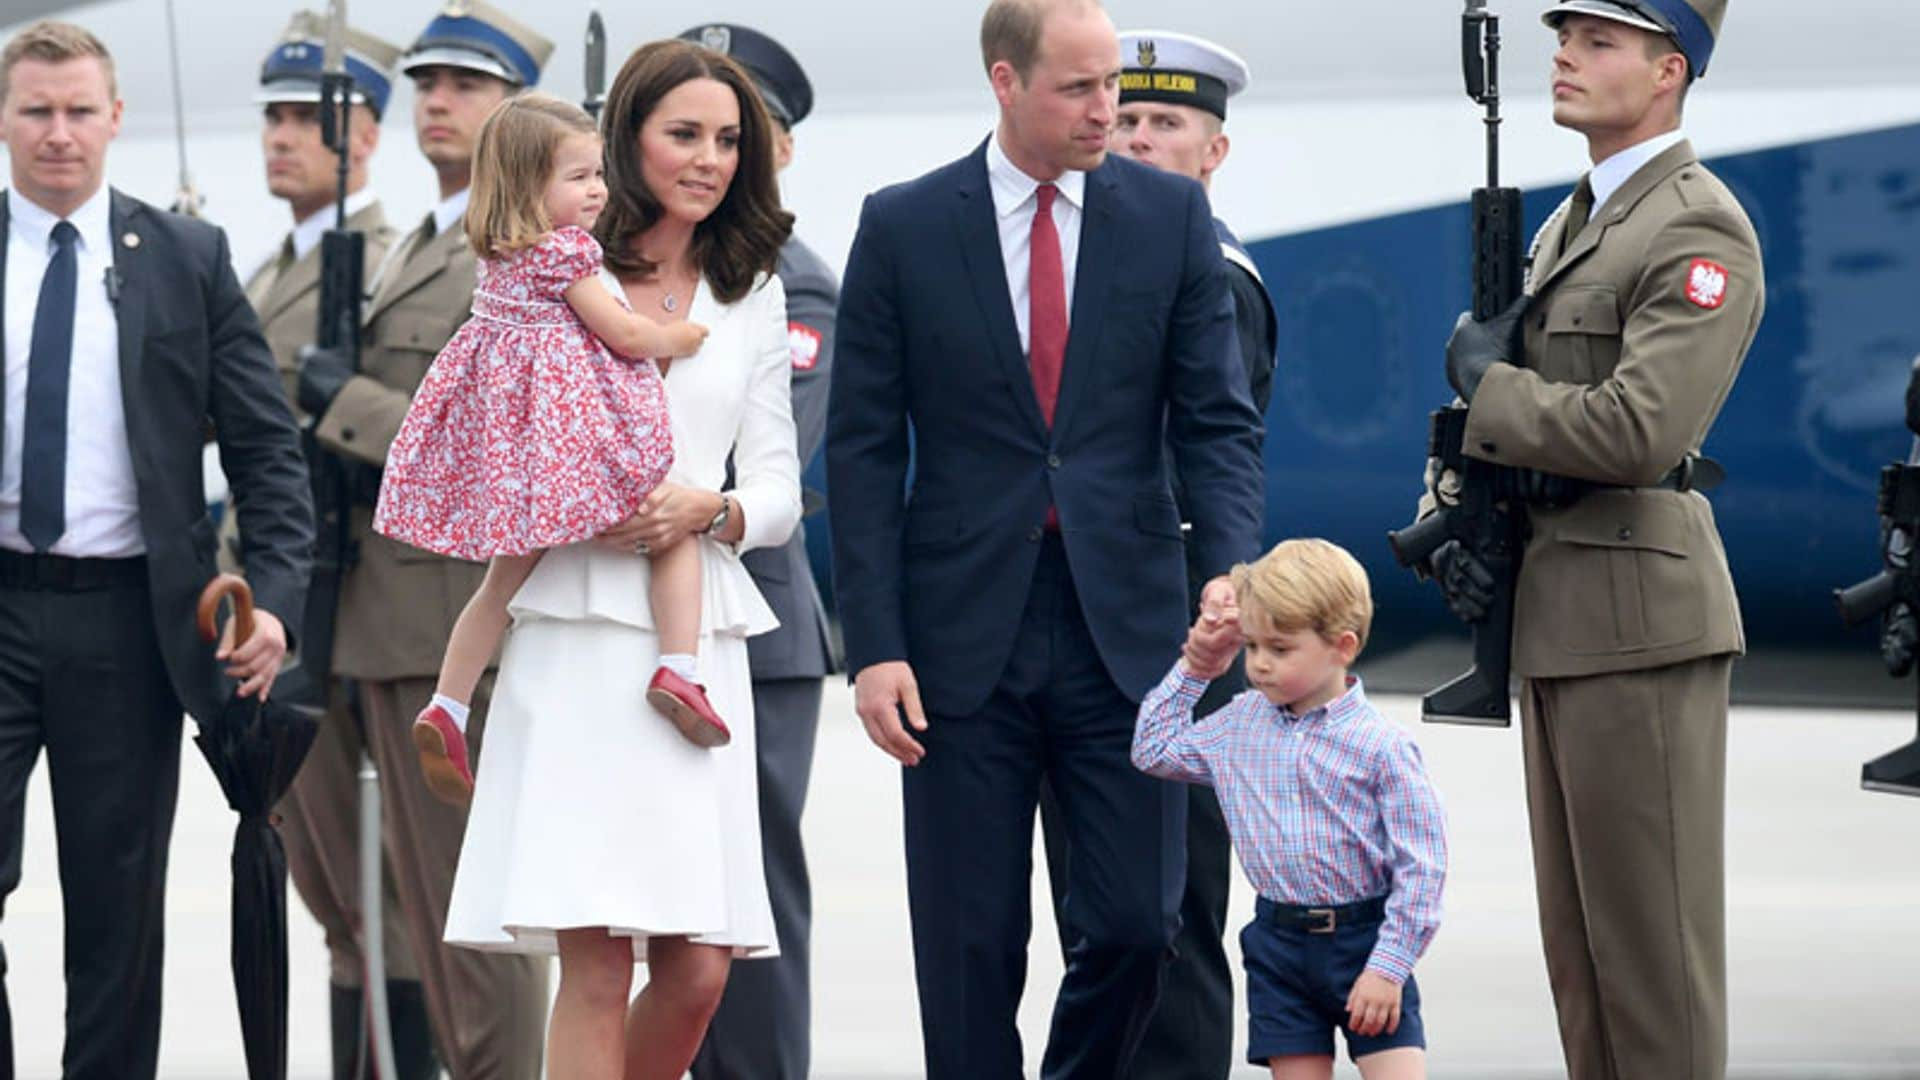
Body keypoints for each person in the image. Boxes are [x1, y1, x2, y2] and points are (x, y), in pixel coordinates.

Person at [826, 0, 1265, 1074]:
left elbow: (1218, 423)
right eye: (1080, 88)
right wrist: (874, 642)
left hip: (1133, 634)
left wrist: (1229, 580)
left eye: (1111, 84)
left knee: (1133, 925)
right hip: (957, 642)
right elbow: (865, 452)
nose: (1106, 110)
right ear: (1005, 82)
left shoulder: (1166, 221)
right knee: (969, 949)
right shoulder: (905, 224)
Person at [442, 39, 799, 1080]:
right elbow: (485, 436)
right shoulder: (553, 265)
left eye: (729, 140)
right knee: (595, 970)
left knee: (700, 973)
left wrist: (714, 507)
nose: (710, 159)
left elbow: (779, 484)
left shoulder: (752, 286)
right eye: (683, 134)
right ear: (625, 141)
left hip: (696, 640)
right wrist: (575, 502)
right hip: (577, 631)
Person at [1427, 2, 1759, 1077]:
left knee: (1653, 972)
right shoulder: (1575, 219)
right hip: (1565, 615)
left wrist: (1492, 387)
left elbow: (1636, 430)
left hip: (1639, 626)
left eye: (1598, 41)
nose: (1564, 55)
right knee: (1585, 970)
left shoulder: (1696, 226)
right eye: (1564, 36)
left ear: (1670, 71)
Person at [0, 20, 313, 1079]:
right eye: (36, 110)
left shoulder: (187, 257)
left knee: (118, 915)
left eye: (79, 110)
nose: (58, 134)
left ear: (116, 118)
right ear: (4, 118)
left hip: (129, 624)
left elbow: (271, 452)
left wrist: (271, 600)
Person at [288, 1, 554, 1074]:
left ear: (518, 108)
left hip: (451, 619)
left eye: (468, 86)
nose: (437, 102)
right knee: (409, 920)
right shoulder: (419, 239)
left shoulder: (524, 252)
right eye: (430, 85)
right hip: (381, 620)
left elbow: (493, 441)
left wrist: (344, 402)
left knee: (472, 921)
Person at [1038, 29, 1278, 1079]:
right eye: (1125, 118)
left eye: (1165, 124)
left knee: (1171, 909)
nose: (1135, 138)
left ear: (1212, 152)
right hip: (1103, 629)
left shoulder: (1213, 279)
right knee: (1100, 913)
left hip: (1175, 629)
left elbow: (1202, 461)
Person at [376, 92, 716, 806]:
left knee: (499, 586)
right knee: (671, 530)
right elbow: (622, 335)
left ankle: (449, 704)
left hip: (515, 456)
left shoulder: (497, 257)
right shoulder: (566, 254)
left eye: (598, 174)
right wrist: (675, 338)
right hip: (570, 447)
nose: (598, 190)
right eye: (579, 177)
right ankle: (679, 666)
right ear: (532, 187)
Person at [240, 16, 439, 1077]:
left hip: (376, 606)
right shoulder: (269, 271)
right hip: (290, 610)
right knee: (334, 901)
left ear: (363, 134)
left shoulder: (385, 265)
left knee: (396, 898)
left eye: (302, 118)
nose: (279, 138)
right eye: (268, 117)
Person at [675, 23, 840, 1080]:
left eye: (738, 133)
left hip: (750, 629)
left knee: (750, 906)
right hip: (630, 622)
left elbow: (767, 472)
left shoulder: (798, 284)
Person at [1133, 539, 1446, 1080]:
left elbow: (1423, 869)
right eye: (1252, 647)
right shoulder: (1238, 724)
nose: (1258, 665)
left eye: (1280, 650)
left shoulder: (1382, 747)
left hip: (1365, 940)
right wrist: (1197, 666)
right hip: (1278, 944)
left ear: (1341, 647)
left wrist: (1390, 966)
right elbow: (1153, 749)